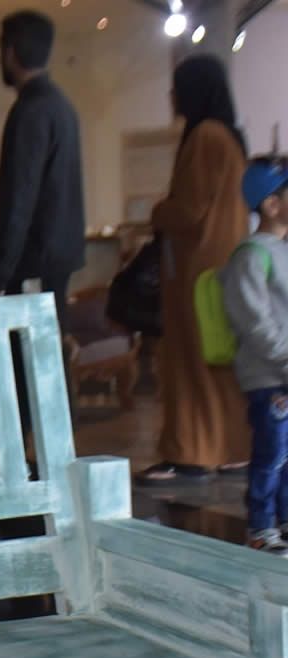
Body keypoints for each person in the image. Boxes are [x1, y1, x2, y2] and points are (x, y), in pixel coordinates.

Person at [142, 54, 250, 482]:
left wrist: (158, 212)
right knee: (215, 361)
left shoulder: (205, 136)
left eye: (177, 86)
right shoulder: (225, 136)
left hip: (196, 269)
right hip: (216, 264)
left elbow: (189, 209)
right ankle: (226, 447)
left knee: (192, 363)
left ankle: (192, 451)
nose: (171, 95)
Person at [0, 9, 85, 333]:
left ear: (10, 52)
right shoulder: (62, 106)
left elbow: (19, 199)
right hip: (57, 258)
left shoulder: (30, 111)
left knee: (30, 365)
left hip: (34, 259)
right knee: (51, 358)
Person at [221, 157, 288, 553]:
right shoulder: (251, 255)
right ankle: (260, 527)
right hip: (269, 377)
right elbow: (255, 323)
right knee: (271, 453)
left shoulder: (282, 251)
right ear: (271, 205)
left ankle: (283, 519)